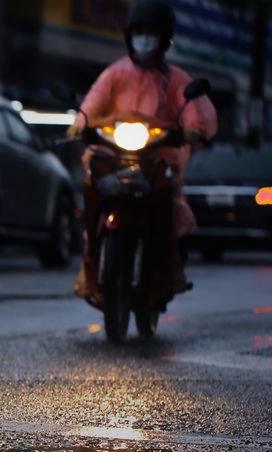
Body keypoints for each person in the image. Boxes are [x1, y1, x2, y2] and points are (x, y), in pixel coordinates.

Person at [67, 0, 217, 303]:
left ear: (164, 39)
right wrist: (78, 124)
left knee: (171, 207)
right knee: (90, 192)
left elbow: (192, 112)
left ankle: (170, 270)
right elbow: (92, 103)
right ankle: (90, 269)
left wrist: (192, 128)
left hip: (157, 157)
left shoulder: (176, 79)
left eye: (152, 32)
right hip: (114, 155)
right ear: (130, 35)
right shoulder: (115, 73)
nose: (145, 38)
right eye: (140, 31)